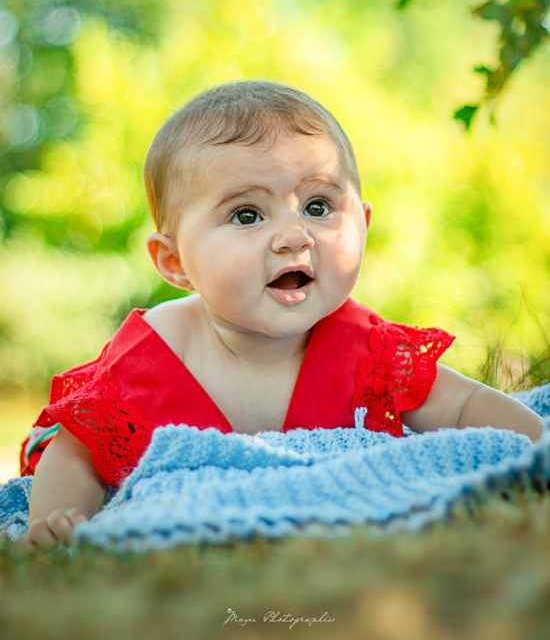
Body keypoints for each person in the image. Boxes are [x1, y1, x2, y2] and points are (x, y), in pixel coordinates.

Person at [22, 80, 544, 552]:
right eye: (247, 214)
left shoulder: (366, 350)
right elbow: (75, 454)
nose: (294, 235)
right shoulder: (153, 356)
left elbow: (463, 406)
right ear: (175, 262)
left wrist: (538, 445)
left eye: (318, 206)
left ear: (361, 224)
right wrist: (57, 519)